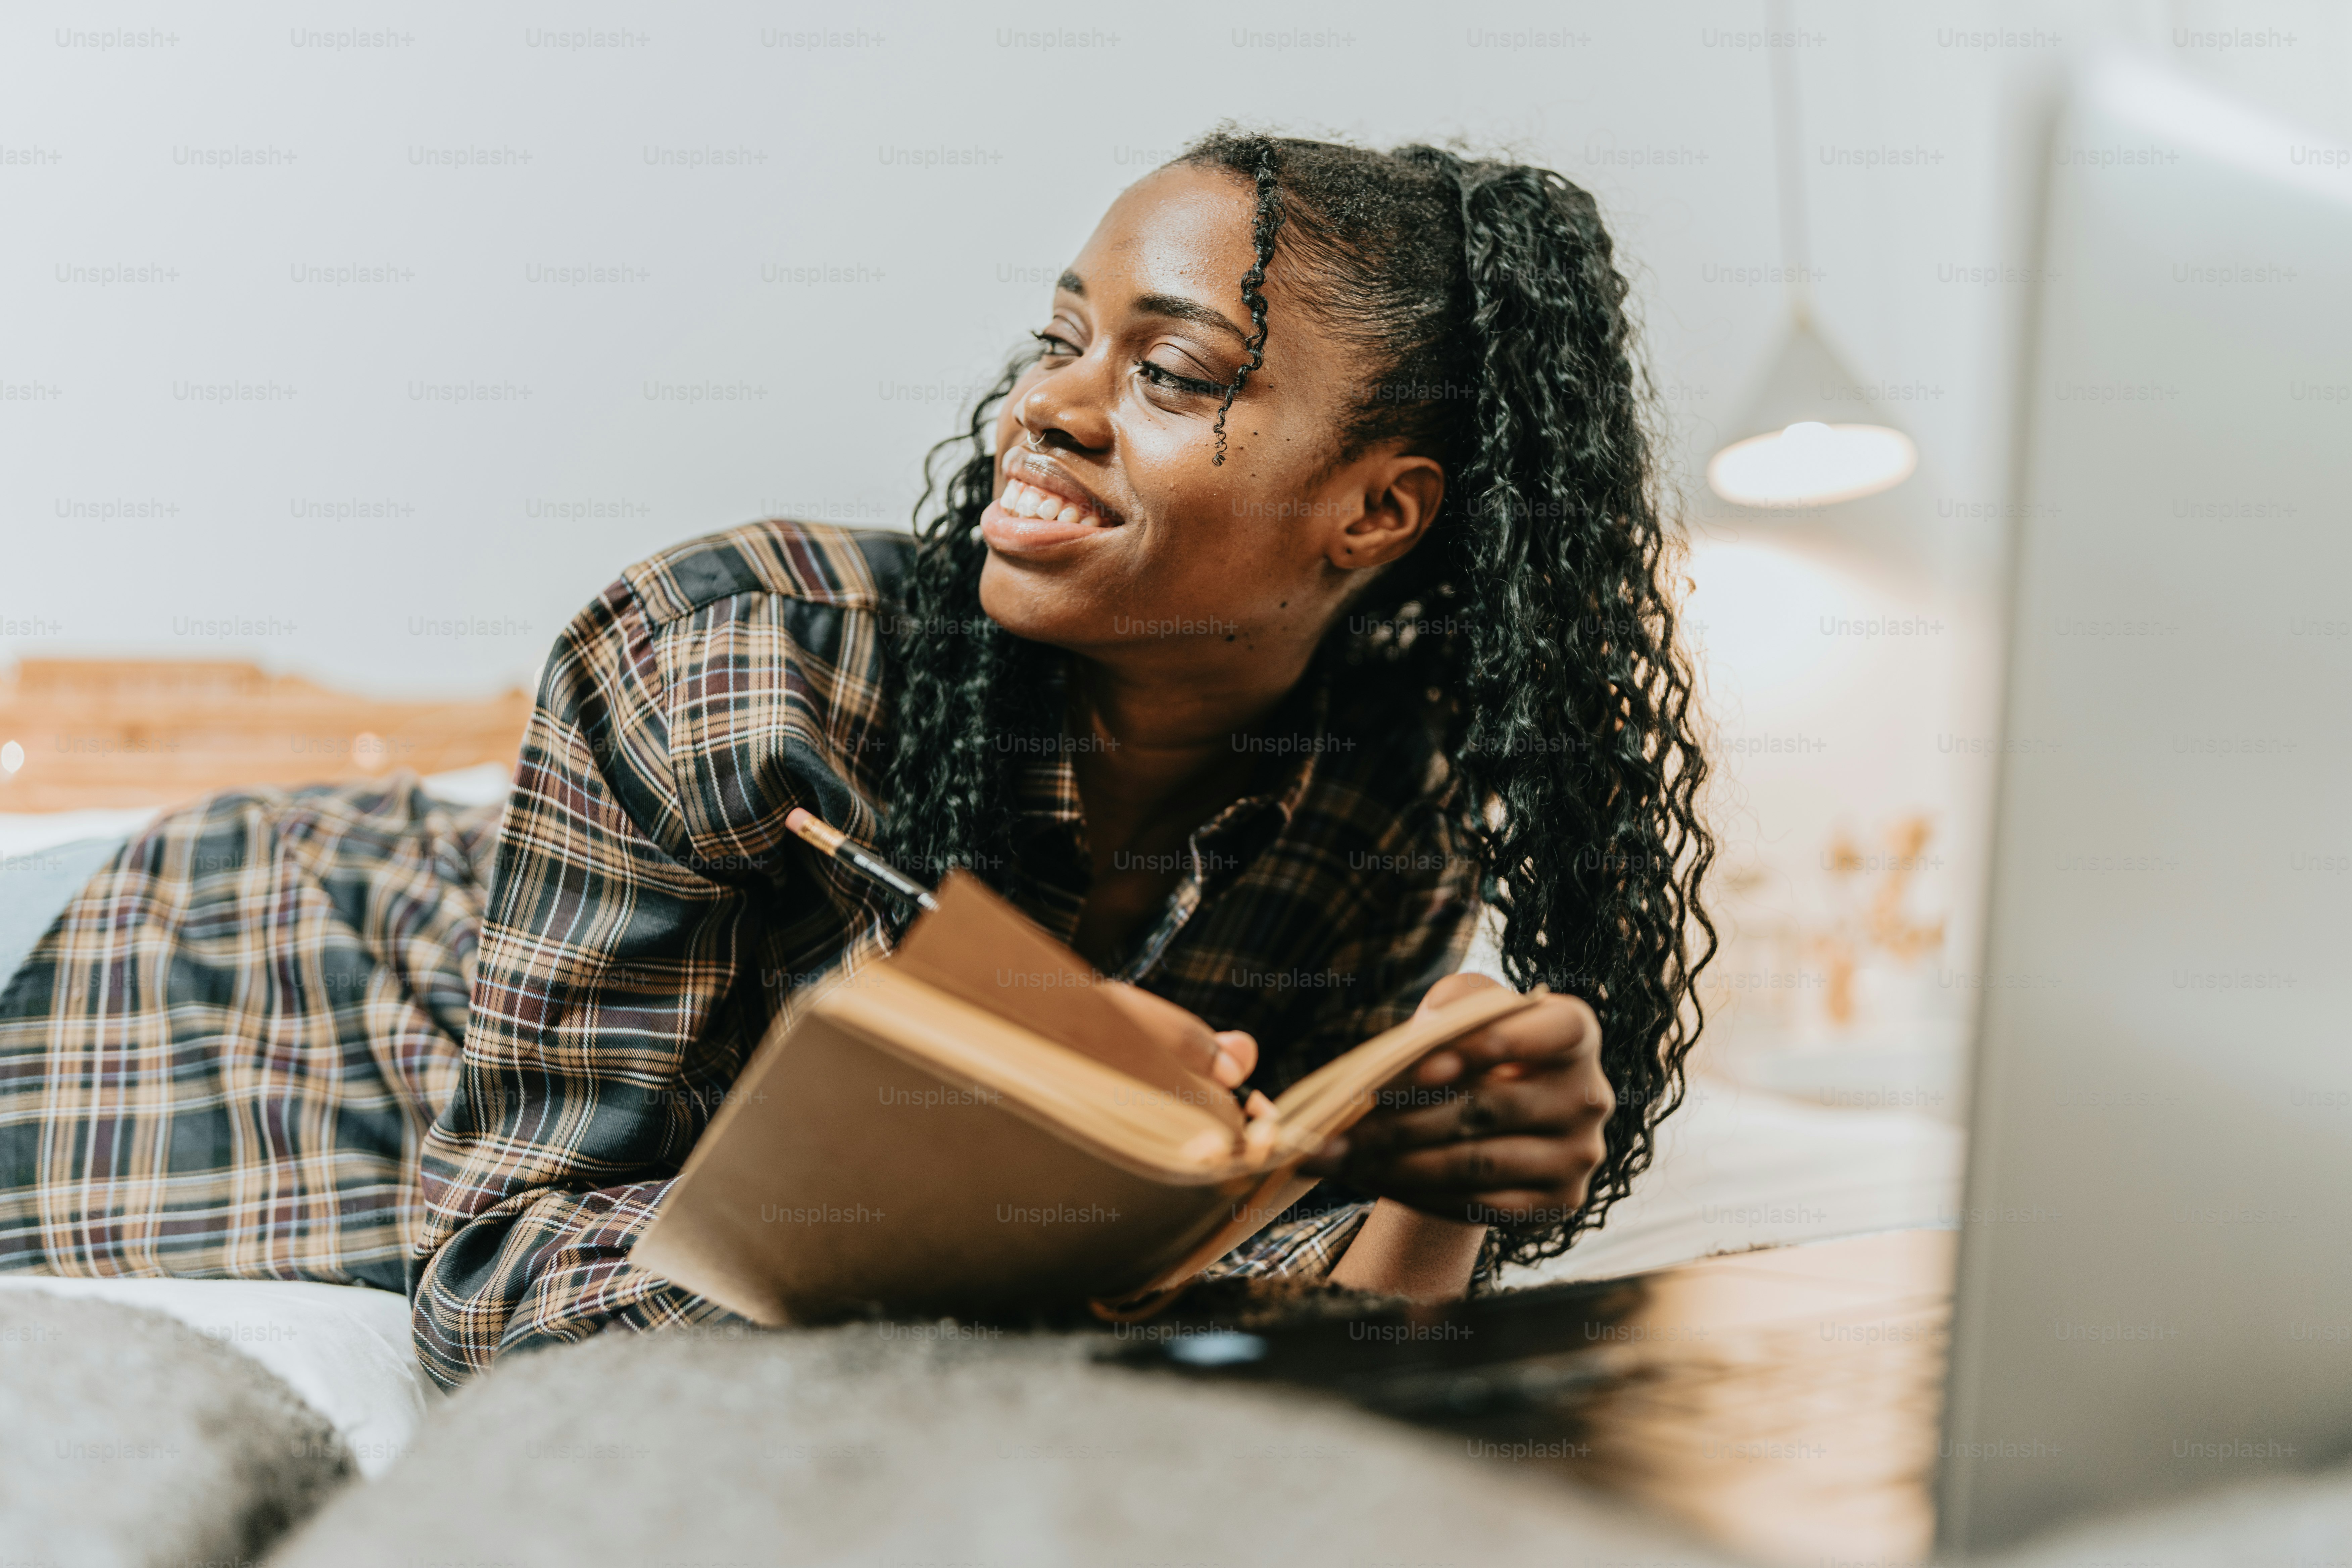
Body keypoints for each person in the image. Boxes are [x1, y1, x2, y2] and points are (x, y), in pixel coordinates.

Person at [0, 133, 1714, 1390]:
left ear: (1379, 509)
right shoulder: (734, 656)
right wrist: (1020, 1213)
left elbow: (1301, 1303)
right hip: (215, 975)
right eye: (1064, 340)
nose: (1049, 404)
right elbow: (496, 1279)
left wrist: (1436, 1168)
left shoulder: (1378, 809)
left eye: (1173, 367)